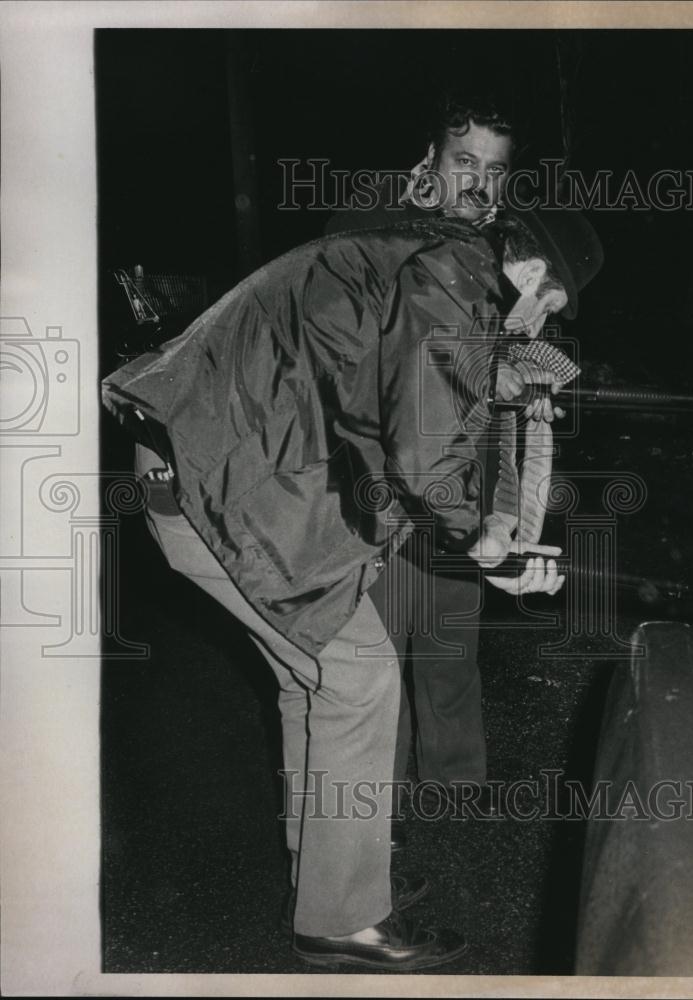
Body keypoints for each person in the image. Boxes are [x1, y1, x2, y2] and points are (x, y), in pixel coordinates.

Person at [102, 212, 577, 970]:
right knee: (360, 676)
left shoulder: (417, 268)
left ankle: (327, 875)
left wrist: (486, 507)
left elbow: (386, 423)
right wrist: (481, 542)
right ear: (526, 274)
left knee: (314, 675)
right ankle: (343, 922)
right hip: (214, 479)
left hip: (201, 468)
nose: (537, 324)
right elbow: (420, 451)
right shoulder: (446, 282)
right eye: (548, 304)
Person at [325, 93, 551, 816]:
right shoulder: (376, 230)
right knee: (375, 665)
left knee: (451, 645)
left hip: (461, 476)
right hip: (383, 487)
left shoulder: (496, 244)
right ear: (427, 163)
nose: (478, 183)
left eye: (493, 169)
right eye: (462, 162)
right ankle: (372, 821)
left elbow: (509, 348)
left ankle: (457, 784)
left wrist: (535, 363)